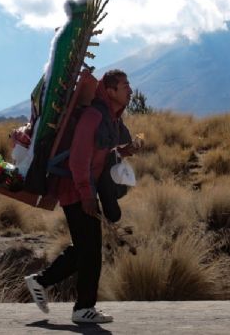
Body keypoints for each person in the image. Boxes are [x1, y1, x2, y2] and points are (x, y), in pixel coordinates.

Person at [25, 69, 135, 324]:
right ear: (109, 91)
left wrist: (125, 151)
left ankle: (41, 281)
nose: (129, 90)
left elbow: (101, 153)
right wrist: (86, 194)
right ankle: (83, 308)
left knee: (86, 247)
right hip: (75, 188)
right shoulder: (93, 116)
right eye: (124, 85)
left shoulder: (109, 117)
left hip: (83, 188)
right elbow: (78, 159)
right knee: (91, 251)